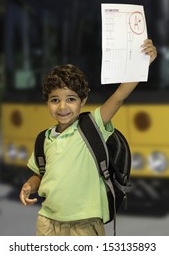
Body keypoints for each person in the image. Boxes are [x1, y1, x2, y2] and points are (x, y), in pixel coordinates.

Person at [19, 39, 157, 236]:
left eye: (71, 99)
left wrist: (143, 64)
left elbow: (119, 96)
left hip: (85, 224)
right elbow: (40, 175)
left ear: (83, 101)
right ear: (47, 102)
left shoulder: (93, 125)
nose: (62, 107)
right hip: (47, 222)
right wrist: (29, 186)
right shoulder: (44, 139)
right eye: (55, 100)